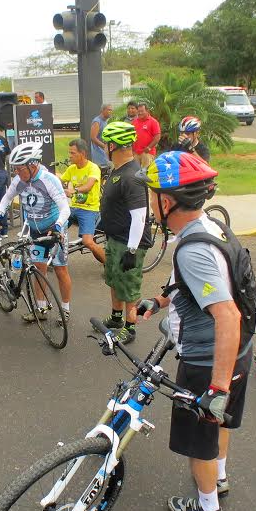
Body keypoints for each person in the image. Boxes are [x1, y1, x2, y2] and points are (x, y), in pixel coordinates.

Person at [137, 150, 252, 511]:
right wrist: (160, 300)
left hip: (208, 361)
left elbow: (227, 314)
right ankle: (218, 479)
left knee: (199, 438)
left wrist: (216, 391)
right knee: (217, 428)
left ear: (166, 202)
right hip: (240, 352)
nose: (150, 201)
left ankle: (207, 507)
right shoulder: (209, 227)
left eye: (152, 194)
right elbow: (205, 284)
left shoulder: (193, 249)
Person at [0, 141, 72, 322]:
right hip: (35, 231)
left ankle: (65, 308)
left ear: (33, 165)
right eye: (16, 169)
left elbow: (65, 209)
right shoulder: (20, 180)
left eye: (20, 169)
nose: (17, 173)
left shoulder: (49, 180)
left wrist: (58, 226)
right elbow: (6, 197)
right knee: (39, 269)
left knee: (60, 269)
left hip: (54, 230)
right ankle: (40, 309)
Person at [98, 121, 153, 344]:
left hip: (129, 242)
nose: (103, 147)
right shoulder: (118, 170)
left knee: (129, 286)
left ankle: (129, 328)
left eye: (105, 143)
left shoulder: (132, 176)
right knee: (114, 280)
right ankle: (116, 318)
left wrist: (131, 250)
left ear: (112, 145)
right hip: (115, 238)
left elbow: (140, 216)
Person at [62, 139, 105, 263]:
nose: (70, 156)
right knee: (54, 230)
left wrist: (73, 191)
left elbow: (88, 186)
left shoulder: (93, 168)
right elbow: (60, 181)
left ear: (83, 154)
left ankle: (110, 266)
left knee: (87, 242)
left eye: (73, 153)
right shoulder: (71, 169)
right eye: (69, 153)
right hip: (73, 208)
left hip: (89, 210)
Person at [133, 103, 162, 168]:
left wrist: (149, 147)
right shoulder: (134, 122)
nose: (140, 113)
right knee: (135, 174)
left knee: (145, 174)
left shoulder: (153, 122)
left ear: (147, 111)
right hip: (136, 153)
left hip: (147, 153)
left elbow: (157, 137)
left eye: (142, 111)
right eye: (138, 111)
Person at [90, 103, 113, 180]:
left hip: (104, 152)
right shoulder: (97, 122)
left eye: (111, 110)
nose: (110, 112)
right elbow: (93, 138)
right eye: (108, 110)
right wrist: (104, 147)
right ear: (103, 110)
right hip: (98, 153)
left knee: (106, 173)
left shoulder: (105, 121)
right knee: (100, 173)